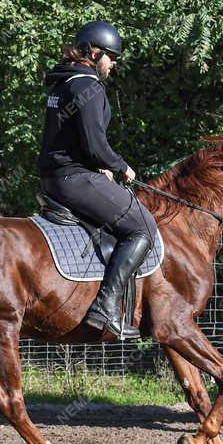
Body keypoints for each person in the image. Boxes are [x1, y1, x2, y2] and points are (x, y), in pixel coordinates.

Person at [37, 21, 157, 339]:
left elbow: (72, 140)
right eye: (112, 57)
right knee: (142, 227)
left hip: (57, 177)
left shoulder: (64, 82)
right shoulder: (87, 85)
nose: (113, 64)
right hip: (73, 180)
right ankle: (105, 307)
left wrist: (97, 165)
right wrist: (121, 167)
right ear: (95, 52)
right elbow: (95, 145)